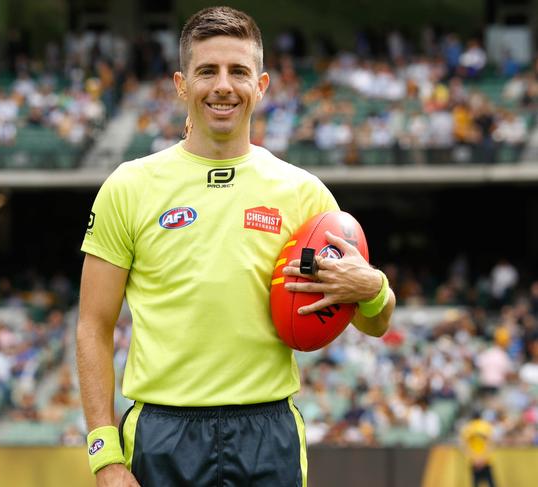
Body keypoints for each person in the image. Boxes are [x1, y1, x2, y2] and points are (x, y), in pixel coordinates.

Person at [76, 6, 396, 487]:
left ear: (261, 85)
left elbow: (373, 321)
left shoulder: (304, 194)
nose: (223, 85)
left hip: (267, 433)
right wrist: (105, 454)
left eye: (238, 72)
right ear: (182, 85)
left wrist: (373, 287)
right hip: (163, 434)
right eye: (208, 71)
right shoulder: (129, 186)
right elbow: (92, 326)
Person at [460, 411, 497, 487]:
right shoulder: (486, 426)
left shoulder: (468, 427)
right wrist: (483, 458)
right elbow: (491, 444)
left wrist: (475, 458)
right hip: (486, 461)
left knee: (475, 484)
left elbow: (464, 446)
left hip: (474, 461)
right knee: (491, 483)